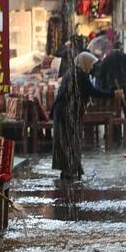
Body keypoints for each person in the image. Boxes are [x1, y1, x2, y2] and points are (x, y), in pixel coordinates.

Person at [52, 50, 113, 180]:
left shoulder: (72, 72)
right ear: (85, 63)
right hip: (67, 113)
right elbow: (93, 91)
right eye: (91, 64)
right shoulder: (80, 75)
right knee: (71, 141)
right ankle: (71, 172)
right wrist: (113, 94)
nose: (92, 67)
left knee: (67, 142)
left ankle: (71, 171)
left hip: (63, 112)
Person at [96, 40, 126, 136]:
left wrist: (103, 87)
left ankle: (115, 133)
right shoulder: (125, 57)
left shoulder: (107, 58)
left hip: (112, 89)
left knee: (114, 111)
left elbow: (101, 74)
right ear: (122, 48)